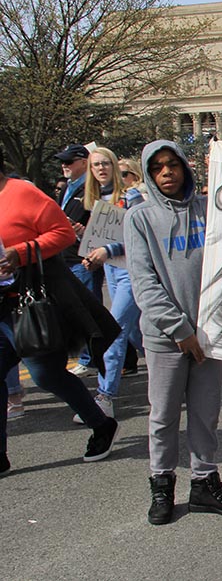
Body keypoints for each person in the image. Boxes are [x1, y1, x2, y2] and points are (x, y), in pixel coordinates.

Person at [125, 140, 222, 524]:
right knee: (163, 416)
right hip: (167, 338)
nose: (167, 173)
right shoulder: (140, 218)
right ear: (149, 172)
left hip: (211, 333)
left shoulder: (209, 210)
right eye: (158, 167)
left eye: (173, 165)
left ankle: (204, 482)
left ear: (185, 168)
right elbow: (144, 284)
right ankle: (162, 485)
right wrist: (180, 330)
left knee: (205, 413)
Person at [1, 154, 121, 476]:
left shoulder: (22, 193)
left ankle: (101, 424)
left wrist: (20, 253)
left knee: (46, 376)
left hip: (30, 302)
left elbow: (64, 234)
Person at [71, 147, 145, 422]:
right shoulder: (93, 200)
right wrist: (91, 250)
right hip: (113, 272)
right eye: (95, 165)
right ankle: (179, 369)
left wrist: (108, 250)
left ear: (114, 165)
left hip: (132, 271)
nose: (101, 168)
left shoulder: (131, 196)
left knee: (113, 331)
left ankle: (105, 396)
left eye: (105, 163)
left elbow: (140, 236)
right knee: (136, 334)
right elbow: (101, 241)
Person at [55, 143, 104, 377]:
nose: (64, 165)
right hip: (67, 256)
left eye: (69, 161)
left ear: (84, 162)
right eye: (63, 161)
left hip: (84, 258)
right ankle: (121, 355)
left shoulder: (90, 187)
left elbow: (99, 221)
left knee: (87, 310)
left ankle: (90, 358)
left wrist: (83, 231)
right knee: (78, 310)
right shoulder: (67, 188)